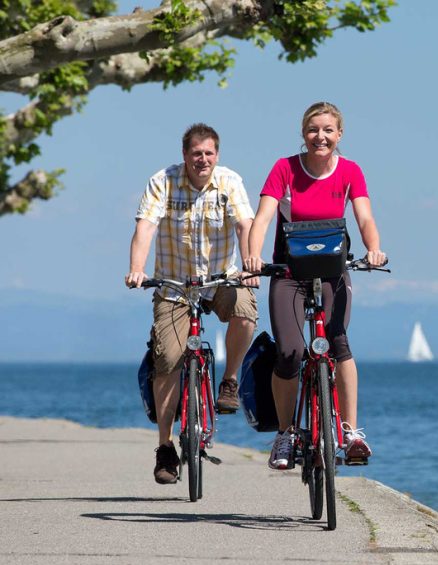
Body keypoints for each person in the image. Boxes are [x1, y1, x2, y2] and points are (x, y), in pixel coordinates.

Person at [243, 101, 385, 469]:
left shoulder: (350, 171)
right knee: (290, 352)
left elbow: (365, 217)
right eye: (312, 130)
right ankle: (286, 434)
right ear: (303, 134)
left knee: (338, 343)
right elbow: (262, 218)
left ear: (340, 134)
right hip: (289, 274)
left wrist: (373, 249)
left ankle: (351, 433)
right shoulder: (285, 168)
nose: (319, 137)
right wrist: (253, 257)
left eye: (327, 130)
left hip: (332, 273)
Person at [125, 123, 257, 484]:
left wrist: (250, 264)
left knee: (246, 312)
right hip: (175, 286)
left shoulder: (229, 181)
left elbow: (245, 225)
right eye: (196, 153)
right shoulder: (163, 182)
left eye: (209, 153)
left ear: (217, 154)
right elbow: (145, 227)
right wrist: (137, 269)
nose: (203, 159)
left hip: (220, 280)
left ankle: (229, 381)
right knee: (168, 358)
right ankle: (165, 446)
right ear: (184, 155)